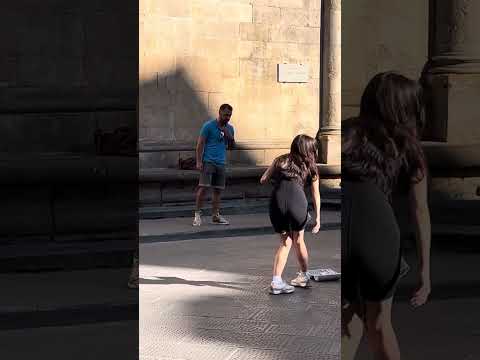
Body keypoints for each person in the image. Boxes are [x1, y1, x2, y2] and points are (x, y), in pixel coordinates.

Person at [341, 72, 432, 360]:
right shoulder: (410, 149)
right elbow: (420, 211)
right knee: (379, 323)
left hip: (342, 223)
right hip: (378, 231)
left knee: (348, 321)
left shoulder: (344, 132)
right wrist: (424, 270)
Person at [260, 134, 321, 295]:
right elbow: (316, 194)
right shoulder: (311, 166)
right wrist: (318, 218)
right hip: (297, 202)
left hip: (277, 202)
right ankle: (303, 276)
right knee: (299, 240)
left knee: (285, 242)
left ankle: (276, 281)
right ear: (309, 150)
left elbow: (263, 179)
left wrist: (277, 179)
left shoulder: (280, 160)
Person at [193, 104, 235, 226]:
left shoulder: (230, 128)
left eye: (229, 115)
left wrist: (229, 136)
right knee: (203, 188)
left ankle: (215, 216)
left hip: (221, 163)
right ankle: (197, 214)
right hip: (208, 161)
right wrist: (199, 161)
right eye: (225, 115)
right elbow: (200, 144)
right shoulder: (208, 126)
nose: (227, 118)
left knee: (218, 190)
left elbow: (232, 147)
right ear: (219, 113)